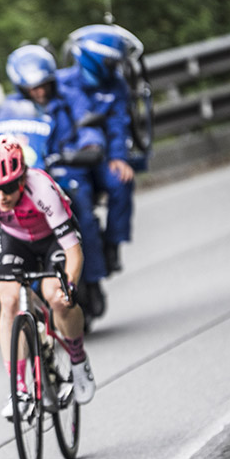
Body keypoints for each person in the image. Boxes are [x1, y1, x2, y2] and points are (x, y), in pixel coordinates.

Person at [0, 135, 96, 418]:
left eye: (9, 187)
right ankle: (20, 388)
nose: (1, 197)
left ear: (22, 177)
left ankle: (77, 358)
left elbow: (74, 253)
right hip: (16, 240)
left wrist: (69, 286)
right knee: (7, 299)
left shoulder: (42, 188)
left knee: (56, 297)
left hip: (54, 241)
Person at [0, 44, 109, 319]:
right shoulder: (9, 108)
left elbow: (87, 128)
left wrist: (87, 146)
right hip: (18, 177)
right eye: (33, 87)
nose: (41, 92)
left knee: (79, 204)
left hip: (64, 171)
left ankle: (90, 277)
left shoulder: (69, 98)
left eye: (44, 85)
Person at [58, 25, 137, 276]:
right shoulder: (61, 83)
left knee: (120, 182)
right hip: (67, 159)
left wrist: (118, 157)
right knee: (78, 202)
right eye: (109, 61)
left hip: (100, 157)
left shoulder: (116, 86)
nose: (113, 67)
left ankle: (113, 243)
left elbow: (119, 123)